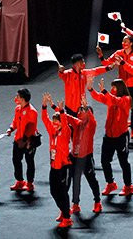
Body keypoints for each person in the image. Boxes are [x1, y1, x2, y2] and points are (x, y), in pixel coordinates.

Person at [89, 78, 133, 198]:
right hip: (109, 135)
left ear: (119, 88)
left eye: (114, 87)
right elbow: (100, 97)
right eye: (111, 87)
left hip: (121, 136)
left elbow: (116, 101)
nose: (112, 89)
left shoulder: (126, 99)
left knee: (123, 162)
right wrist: (90, 89)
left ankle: (128, 186)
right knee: (105, 161)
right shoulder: (111, 98)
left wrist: (104, 91)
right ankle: (110, 183)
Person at [97, 35, 133, 139]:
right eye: (123, 41)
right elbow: (107, 63)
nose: (124, 43)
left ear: (131, 43)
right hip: (122, 87)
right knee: (121, 107)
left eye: (126, 41)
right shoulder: (118, 53)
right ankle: (123, 127)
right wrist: (101, 55)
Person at [60, 101, 101, 215]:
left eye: (81, 111)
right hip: (74, 156)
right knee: (75, 181)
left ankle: (97, 201)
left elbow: (91, 119)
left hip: (86, 157)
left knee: (91, 179)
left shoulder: (91, 125)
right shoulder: (77, 123)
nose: (79, 112)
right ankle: (75, 204)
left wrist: (86, 107)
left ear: (88, 113)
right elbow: (67, 117)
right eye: (78, 111)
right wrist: (56, 107)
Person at [40, 93, 74, 229]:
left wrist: (61, 111)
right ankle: (64, 210)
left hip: (64, 167)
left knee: (63, 192)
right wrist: (44, 105)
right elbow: (44, 119)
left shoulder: (65, 131)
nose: (54, 124)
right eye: (54, 122)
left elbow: (65, 122)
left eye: (57, 122)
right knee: (54, 192)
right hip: (54, 167)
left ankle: (67, 218)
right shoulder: (52, 132)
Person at [6, 88, 38, 194]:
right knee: (16, 160)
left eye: (18, 96)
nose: (16, 98)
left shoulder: (32, 112)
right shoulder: (18, 109)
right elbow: (15, 121)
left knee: (29, 161)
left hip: (28, 141)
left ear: (23, 98)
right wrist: (11, 128)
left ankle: (29, 183)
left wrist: (23, 141)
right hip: (18, 139)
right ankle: (19, 181)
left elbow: (31, 128)